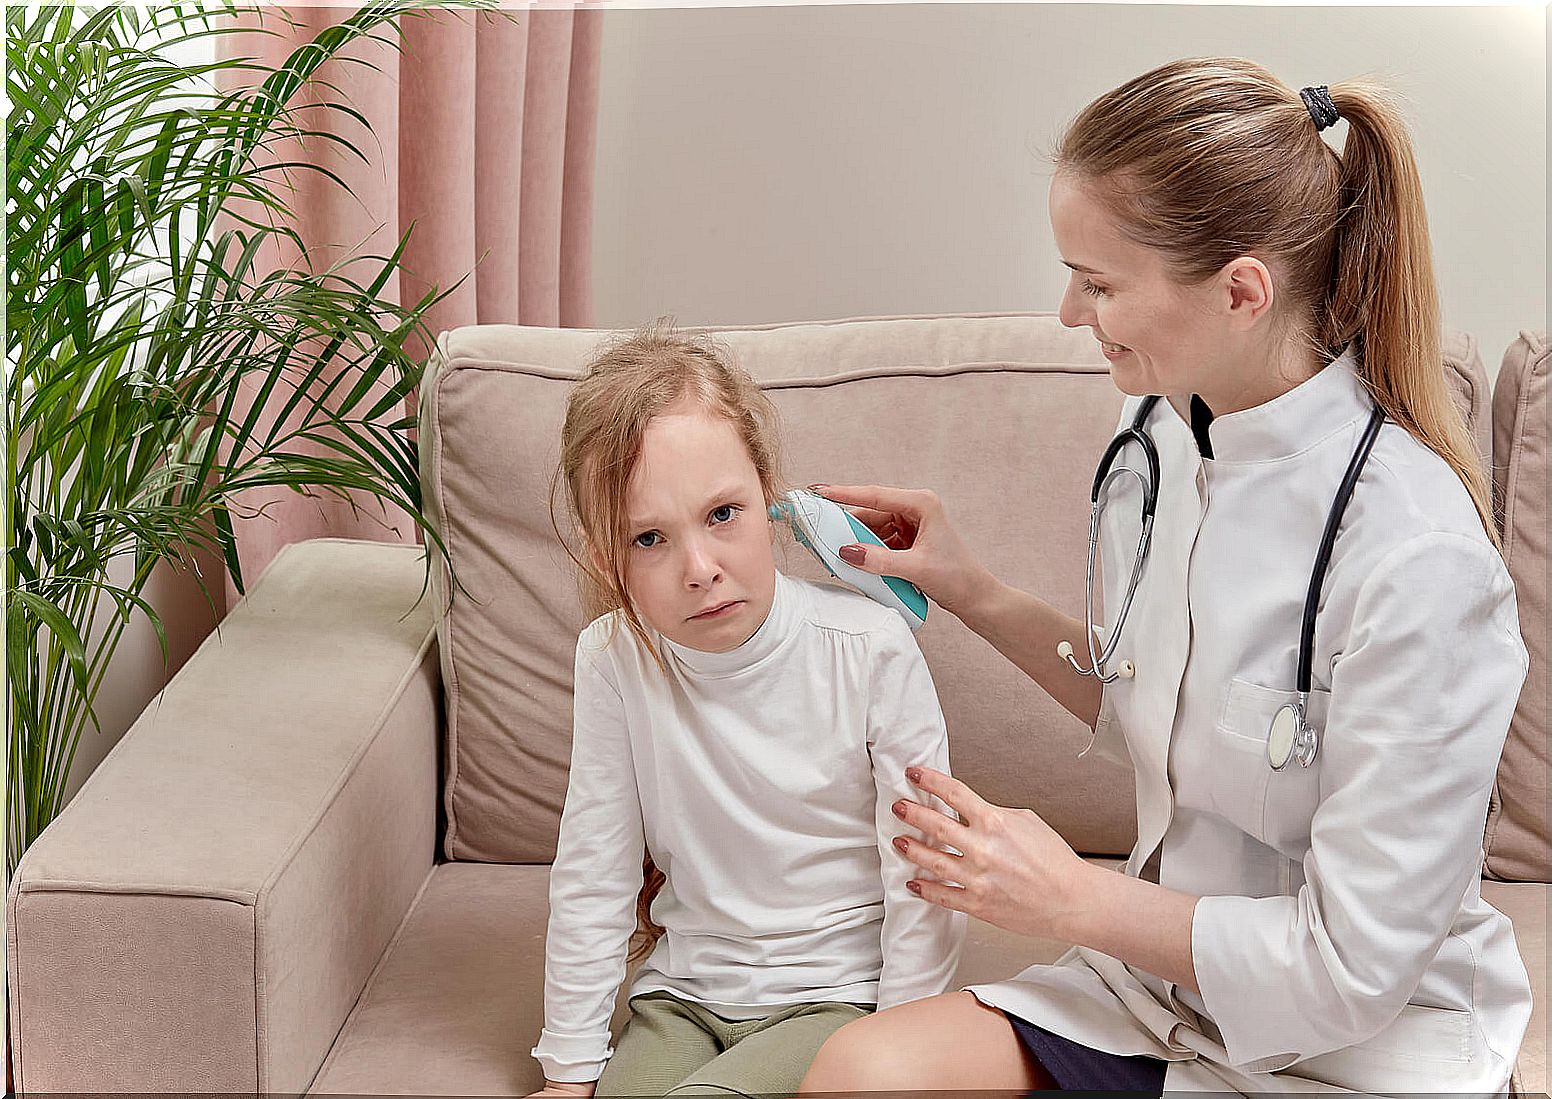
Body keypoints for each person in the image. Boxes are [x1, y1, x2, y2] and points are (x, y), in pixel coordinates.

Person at [796, 57, 1531, 1095]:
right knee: (861, 1075)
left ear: (1241, 290)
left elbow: (1351, 968)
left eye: (1097, 283)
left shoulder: (1418, 562)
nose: (1066, 313)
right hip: (1160, 992)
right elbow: (1157, 698)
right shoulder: (1164, 435)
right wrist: (975, 591)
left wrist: (1070, 900)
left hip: (1361, 1043)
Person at [526, 322, 966, 1098]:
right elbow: (594, 869)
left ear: (769, 498)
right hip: (683, 1000)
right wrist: (569, 1072)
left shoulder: (868, 646)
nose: (700, 569)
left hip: (837, 998)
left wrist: (900, 1047)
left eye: (723, 514)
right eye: (649, 537)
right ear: (605, 557)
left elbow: (923, 871)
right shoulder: (613, 659)